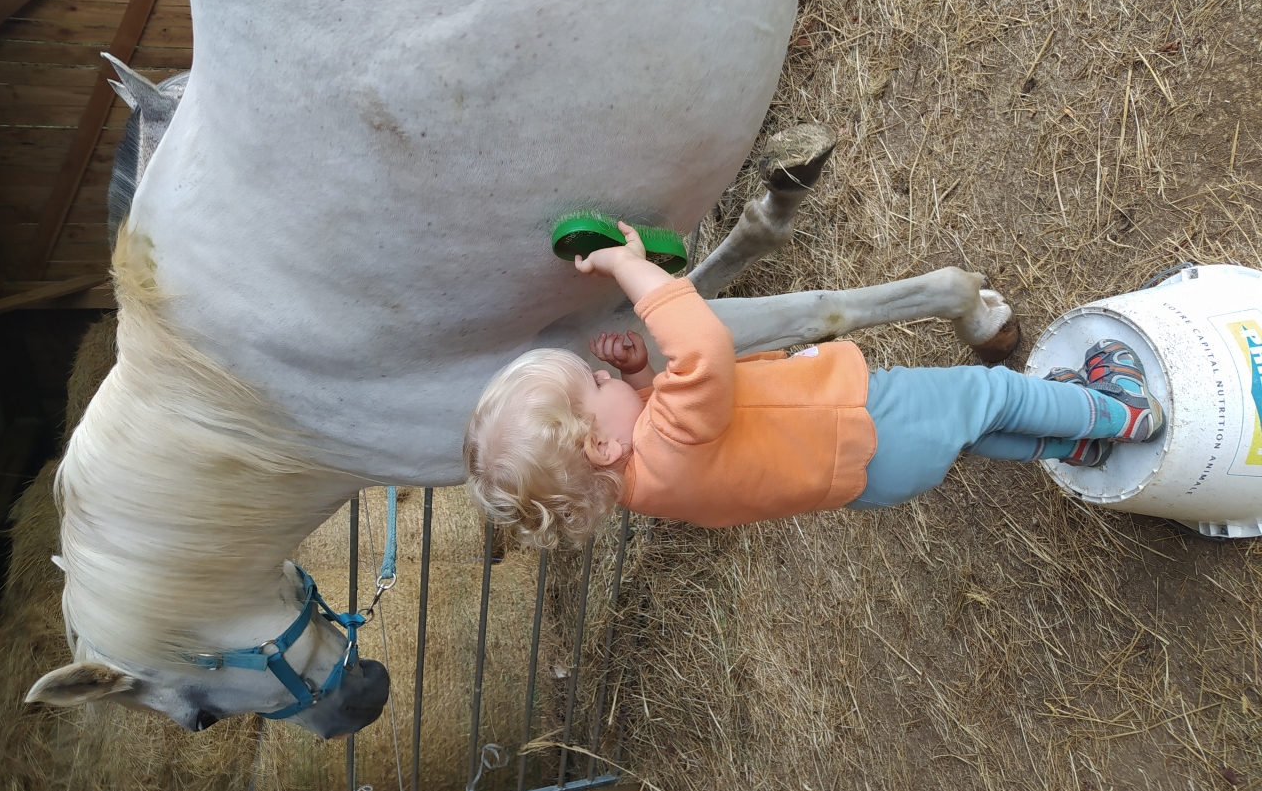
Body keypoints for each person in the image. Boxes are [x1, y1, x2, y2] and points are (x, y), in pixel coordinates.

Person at [463, 222, 1165, 546]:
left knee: (977, 433)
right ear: (601, 446)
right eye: (594, 383)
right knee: (992, 395)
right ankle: (1117, 414)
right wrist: (631, 271)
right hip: (868, 422)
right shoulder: (669, 438)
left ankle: (1075, 447)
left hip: (865, 475)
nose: (602, 371)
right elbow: (702, 347)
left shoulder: (642, 480)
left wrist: (637, 377)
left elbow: (665, 425)